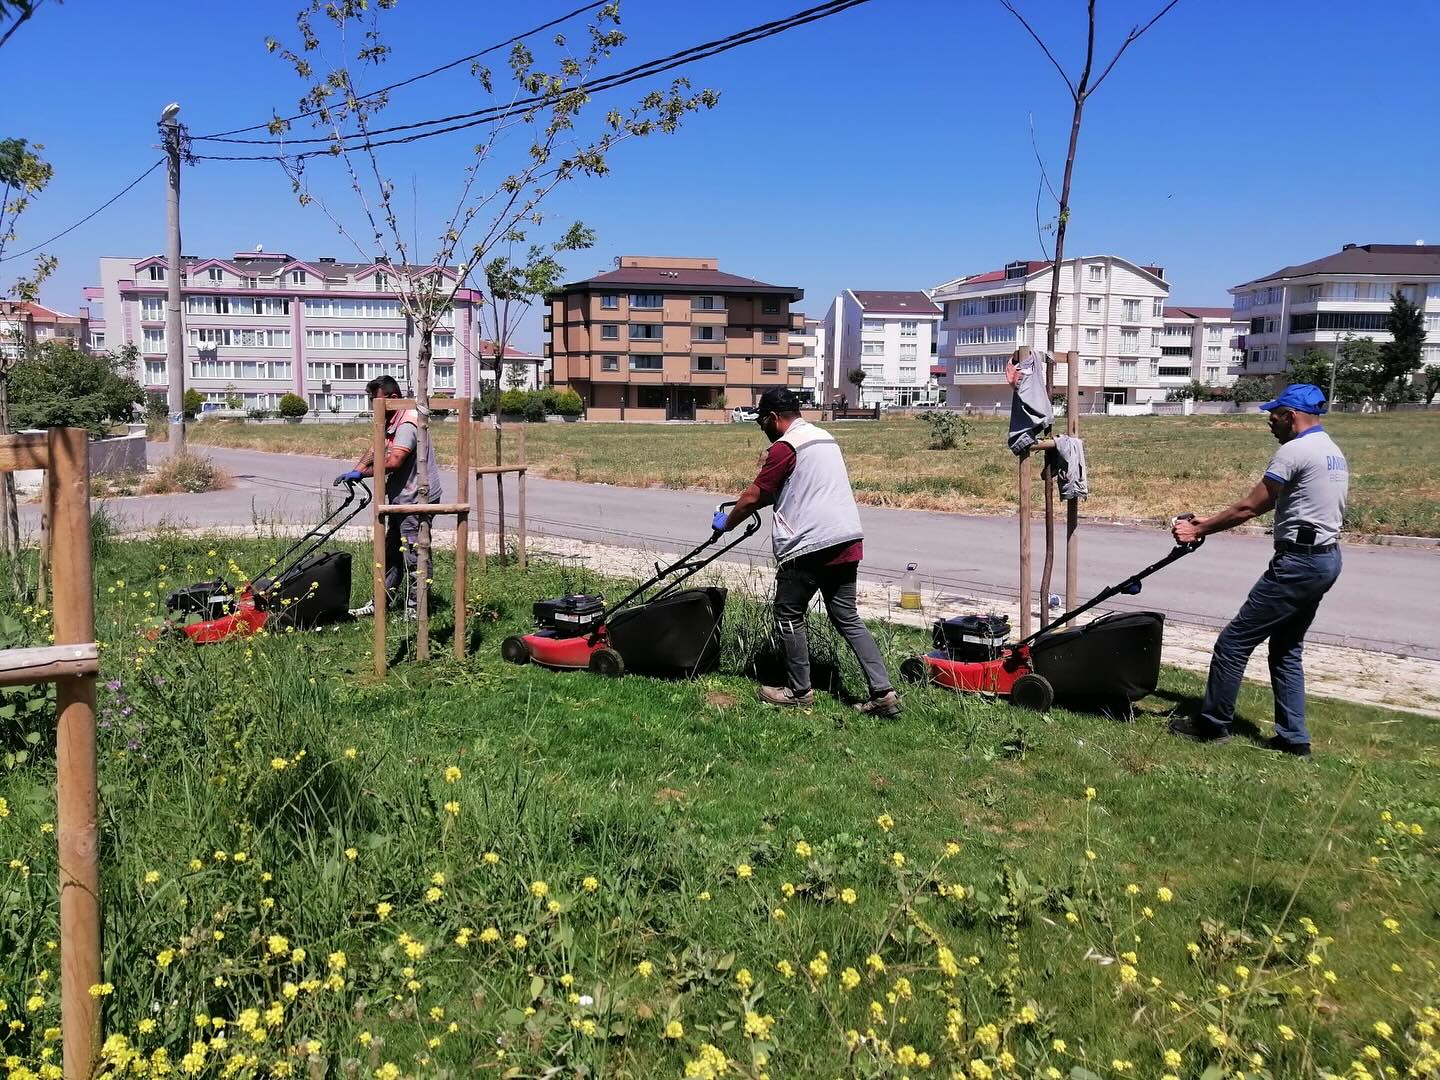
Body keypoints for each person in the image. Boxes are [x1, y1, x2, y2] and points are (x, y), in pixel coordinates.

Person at [1168, 383, 1348, 758]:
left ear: (1291, 416)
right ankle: (1294, 739)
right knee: (1286, 649)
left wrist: (1197, 529)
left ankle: (1212, 725)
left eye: (1274, 414)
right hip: (1324, 559)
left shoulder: (1294, 451)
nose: (1269, 421)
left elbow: (1251, 507)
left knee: (1233, 644)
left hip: (1298, 563)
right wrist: (1210, 520)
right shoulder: (1330, 450)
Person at [714, 387, 900, 716]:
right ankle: (883, 692)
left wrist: (726, 523)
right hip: (846, 538)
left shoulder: (785, 448)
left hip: (809, 544)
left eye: (762, 422)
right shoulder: (824, 438)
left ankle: (799, 691)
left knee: (788, 614)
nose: (762, 430)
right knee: (847, 617)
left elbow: (754, 496)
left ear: (773, 417)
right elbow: (799, 486)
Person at [334, 376, 443, 617]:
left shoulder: (408, 422)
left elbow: (394, 461)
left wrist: (364, 475)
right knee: (391, 551)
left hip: (417, 499)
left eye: (376, 400)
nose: (373, 405)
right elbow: (375, 449)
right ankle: (380, 602)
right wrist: (357, 470)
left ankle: (417, 608)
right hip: (400, 498)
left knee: (415, 555)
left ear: (393, 399)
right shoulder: (389, 419)